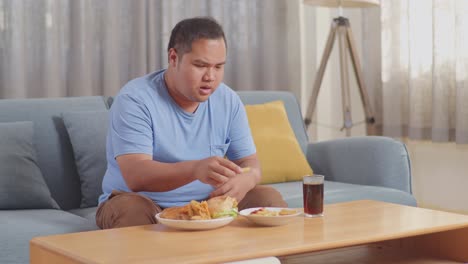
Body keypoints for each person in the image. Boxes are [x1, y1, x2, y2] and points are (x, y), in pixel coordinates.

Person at [96, 16, 287, 229]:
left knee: (268, 199)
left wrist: (248, 179)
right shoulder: (135, 99)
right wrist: (195, 169)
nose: (211, 77)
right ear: (173, 58)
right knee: (131, 210)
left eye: (218, 67)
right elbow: (136, 175)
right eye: (200, 65)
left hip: (207, 204)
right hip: (143, 202)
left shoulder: (228, 100)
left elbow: (250, 164)